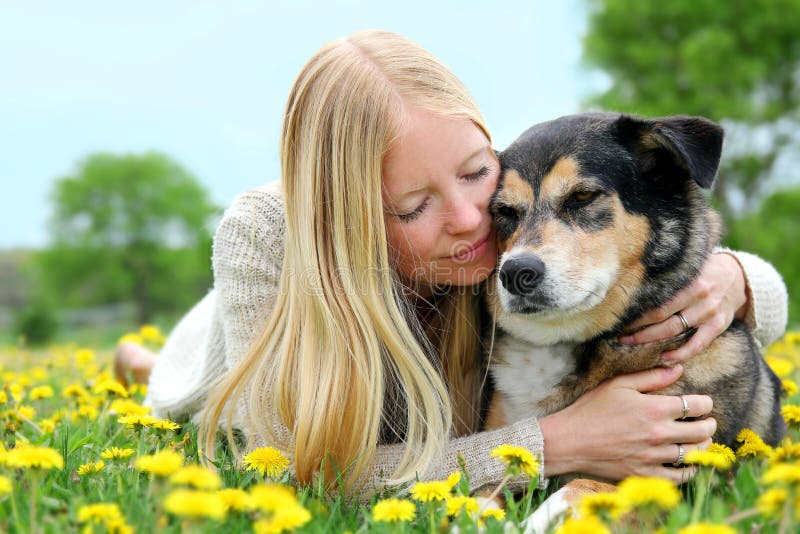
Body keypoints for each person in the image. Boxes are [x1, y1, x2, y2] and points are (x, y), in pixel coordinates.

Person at [117, 30, 788, 498]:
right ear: (352, 217)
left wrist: (738, 280)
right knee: (186, 401)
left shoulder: (508, 216)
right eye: (413, 208)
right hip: (233, 355)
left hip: (423, 410)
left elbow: (629, 236)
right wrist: (554, 443)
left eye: (476, 173)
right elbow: (289, 468)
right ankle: (140, 362)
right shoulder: (264, 236)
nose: (473, 221)